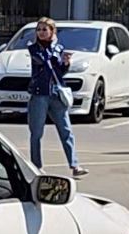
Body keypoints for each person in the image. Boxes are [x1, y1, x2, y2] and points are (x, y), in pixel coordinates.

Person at [24, 18, 86, 177]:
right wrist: (55, 54)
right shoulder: (33, 48)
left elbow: (59, 72)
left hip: (56, 94)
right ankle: (37, 166)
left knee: (66, 130)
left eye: (45, 29)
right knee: (36, 132)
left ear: (52, 31)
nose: (41, 32)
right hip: (39, 94)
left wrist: (66, 63)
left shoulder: (59, 48)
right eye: (39, 30)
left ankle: (74, 165)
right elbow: (43, 61)